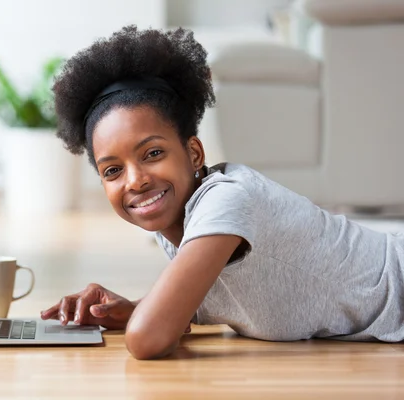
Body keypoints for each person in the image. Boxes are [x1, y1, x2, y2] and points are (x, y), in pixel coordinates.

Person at [39, 25, 404, 360]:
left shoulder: (226, 200)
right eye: (113, 170)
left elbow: (148, 339)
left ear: (194, 153)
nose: (135, 181)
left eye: (152, 153)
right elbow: (205, 304)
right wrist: (130, 308)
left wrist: (145, 319)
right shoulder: (180, 222)